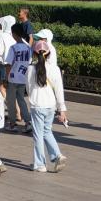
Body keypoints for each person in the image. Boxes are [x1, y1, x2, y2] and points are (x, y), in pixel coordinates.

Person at [27, 40, 67, 172]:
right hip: (51, 105)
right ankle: (57, 155)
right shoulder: (55, 69)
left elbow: (28, 88)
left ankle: (40, 164)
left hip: (37, 104)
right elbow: (59, 90)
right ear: (49, 54)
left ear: (34, 54)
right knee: (47, 131)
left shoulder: (31, 69)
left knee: (38, 135)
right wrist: (62, 109)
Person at [5, 23, 32, 133]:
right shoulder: (28, 48)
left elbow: (9, 64)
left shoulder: (13, 48)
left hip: (13, 77)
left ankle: (12, 124)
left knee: (11, 101)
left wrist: (6, 78)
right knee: (21, 100)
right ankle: (28, 122)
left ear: (14, 34)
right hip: (23, 77)